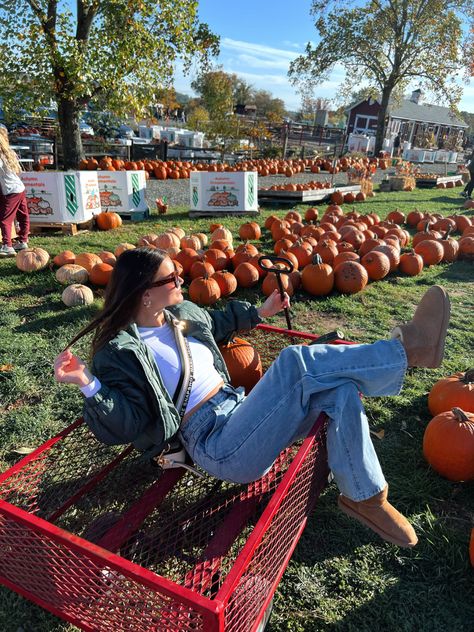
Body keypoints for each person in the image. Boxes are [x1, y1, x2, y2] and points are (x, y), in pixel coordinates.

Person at [54, 248, 451, 549]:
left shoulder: (182, 315)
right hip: (216, 444)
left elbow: (220, 321)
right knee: (296, 362)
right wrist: (88, 383)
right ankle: (408, 351)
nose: (180, 280)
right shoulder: (120, 351)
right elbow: (126, 422)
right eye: (170, 278)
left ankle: (366, 497)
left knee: (340, 390)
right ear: (144, 294)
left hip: (242, 413)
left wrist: (262, 310)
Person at [0, 129, 30, 257]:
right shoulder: (8, 153)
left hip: (11, 191)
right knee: (23, 215)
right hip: (20, 188)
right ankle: (23, 241)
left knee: (5, 219)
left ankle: (7, 246)